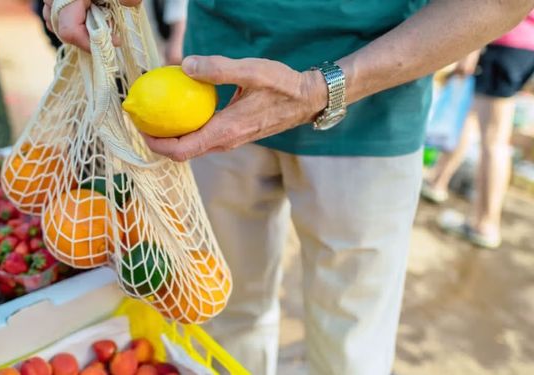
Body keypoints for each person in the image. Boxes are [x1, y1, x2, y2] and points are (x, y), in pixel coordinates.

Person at [43, 0, 534, 374]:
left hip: (376, 107)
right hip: (206, 98)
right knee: (222, 312)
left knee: (351, 340)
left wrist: (321, 90)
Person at [422, 12, 534, 249]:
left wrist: (470, 49)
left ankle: (485, 224)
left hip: (505, 43)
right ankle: (437, 181)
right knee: (472, 118)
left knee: (494, 140)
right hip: (524, 46)